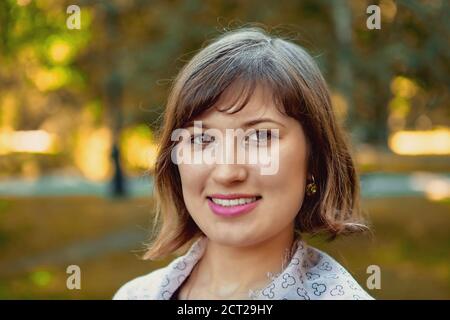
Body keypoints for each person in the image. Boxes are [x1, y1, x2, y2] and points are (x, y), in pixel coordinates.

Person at [113, 27, 373, 300]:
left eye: (260, 136)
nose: (227, 172)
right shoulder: (135, 295)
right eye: (202, 139)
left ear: (315, 160)